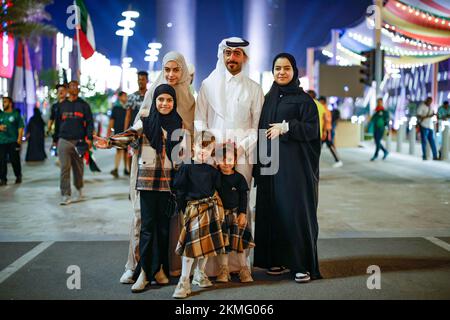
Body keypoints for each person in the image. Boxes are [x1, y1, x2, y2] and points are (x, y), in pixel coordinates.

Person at [118, 52, 195, 285]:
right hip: (146, 172)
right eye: (167, 69)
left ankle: (166, 265)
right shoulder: (154, 93)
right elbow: (136, 130)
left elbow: (189, 138)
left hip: (171, 176)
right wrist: (113, 140)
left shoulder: (189, 101)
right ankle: (135, 266)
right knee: (142, 219)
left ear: (183, 71)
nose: (171, 75)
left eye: (176, 70)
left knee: (168, 222)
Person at [195, 36, 264, 276]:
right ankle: (212, 267)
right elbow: (199, 120)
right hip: (213, 158)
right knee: (213, 208)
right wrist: (210, 144)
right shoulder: (207, 85)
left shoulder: (254, 89)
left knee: (240, 209)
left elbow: (257, 128)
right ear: (222, 55)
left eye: (237, 54)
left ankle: (240, 264)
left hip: (242, 158)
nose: (232, 58)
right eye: (228, 53)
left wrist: (239, 149)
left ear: (245, 58)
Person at [253, 53, 322, 283]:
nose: (281, 72)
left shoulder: (304, 101)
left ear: (294, 71)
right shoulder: (268, 98)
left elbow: (312, 131)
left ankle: (301, 265)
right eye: (277, 68)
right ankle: (276, 260)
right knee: (273, 212)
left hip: (295, 171)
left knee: (295, 213)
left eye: (286, 68)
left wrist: (287, 127)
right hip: (270, 169)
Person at [172, 131, 226, 299]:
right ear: (193, 147)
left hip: (211, 209)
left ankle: (199, 273)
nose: (203, 151)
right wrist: (183, 210)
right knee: (191, 247)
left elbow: (218, 189)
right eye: (200, 147)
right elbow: (178, 188)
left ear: (212, 150)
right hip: (193, 209)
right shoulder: (186, 167)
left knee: (207, 246)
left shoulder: (212, 170)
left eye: (207, 148)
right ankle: (183, 281)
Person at [215, 142, 254, 283]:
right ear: (216, 161)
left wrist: (243, 213)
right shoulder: (216, 177)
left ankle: (244, 269)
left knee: (240, 246)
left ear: (235, 160)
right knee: (223, 245)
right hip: (221, 215)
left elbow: (244, 197)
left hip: (236, 215)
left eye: (230, 160)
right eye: (222, 160)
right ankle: (224, 269)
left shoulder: (239, 178)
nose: (226, 164)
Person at [53, 80, 94, 205]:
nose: (74, 88)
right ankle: (66, 194)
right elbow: (57, 124)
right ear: (68, 89)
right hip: (64, 140)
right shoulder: (61, 105)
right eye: (71, 86)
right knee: (64, 168)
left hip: (79, 141)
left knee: (78, 168)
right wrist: (55, 140)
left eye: (76, 86)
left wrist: (89, 138)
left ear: (78, 89)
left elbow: (89, 123)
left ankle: (79, 188)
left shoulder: (84, 105)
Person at [0, 97, 24, 185]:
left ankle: (18, 176)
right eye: (3, 102)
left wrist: (19, 139)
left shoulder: (16, 114)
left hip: (13, 141)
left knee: (15, 160)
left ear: (10, 103)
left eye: (5, 102)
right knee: (1, 161)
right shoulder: (1, 114)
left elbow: (20, 127)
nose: (3, 104)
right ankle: (3, 179)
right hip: (2, 142)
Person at [108, 91, 128, 178]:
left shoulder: (128, 107)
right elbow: (112, 121)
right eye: (124, 96)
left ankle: (126, 169)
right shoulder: (116, 108)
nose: (126, 98)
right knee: (119, 150)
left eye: (126, 96)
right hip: (118, 132)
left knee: (126, 151)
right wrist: (109, 132)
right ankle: (116, 168)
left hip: (127, 132)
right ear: (120, 97)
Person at [318, 96, 343, 168]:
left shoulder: (324, 109)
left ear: (322, 101)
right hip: (325, 130)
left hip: (326, 131)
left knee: (329, 145)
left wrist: (325, 131)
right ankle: (338, 160)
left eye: (319, 101)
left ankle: (338, 160)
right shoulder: (324, 108)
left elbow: (327, 121)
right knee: (322, 146)